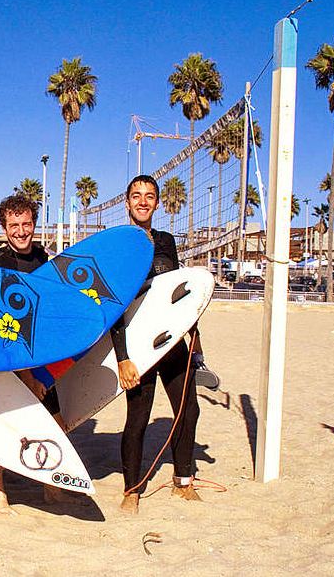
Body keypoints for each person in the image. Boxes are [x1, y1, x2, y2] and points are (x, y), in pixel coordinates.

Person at [111, 175, 202, 515]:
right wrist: (123, 358)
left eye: (149, 196)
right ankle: (132, 490)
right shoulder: (118, 245)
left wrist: (195, 336)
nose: (143, 201)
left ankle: (183, 481)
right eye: (136, 196)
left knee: (188, 409)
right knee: (138, 417)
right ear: (127, 203)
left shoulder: (166, 240)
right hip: (139, 345)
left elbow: (177, 292)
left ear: (157, 203)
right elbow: (114, 306)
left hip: (172, 339)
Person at [0, 194, 68, 511]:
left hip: (40, 358)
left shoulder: (46, 262)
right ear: (4, 228)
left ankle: (51, 488)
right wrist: (28, 375)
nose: (21, 231)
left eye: (26, 224)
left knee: (55, 424)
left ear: (34, 224)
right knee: (1, 426)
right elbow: (1, 325)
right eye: (14, 225)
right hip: (7, 359)